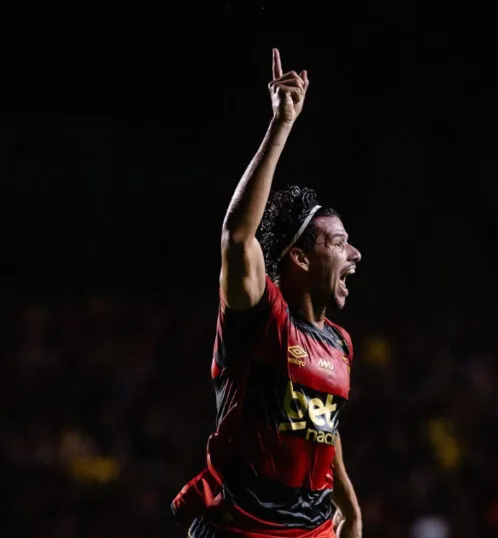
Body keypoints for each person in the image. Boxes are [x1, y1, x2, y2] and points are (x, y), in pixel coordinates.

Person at [171, 49, 363, 538]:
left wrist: (350, 506)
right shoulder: (260, 317)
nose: (355, 253)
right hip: (241, 528)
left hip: (311, 530)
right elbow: (237, 238)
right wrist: (281, 124)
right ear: (300, 258)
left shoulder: (340, 342)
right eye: (339, 243)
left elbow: (325, 426)